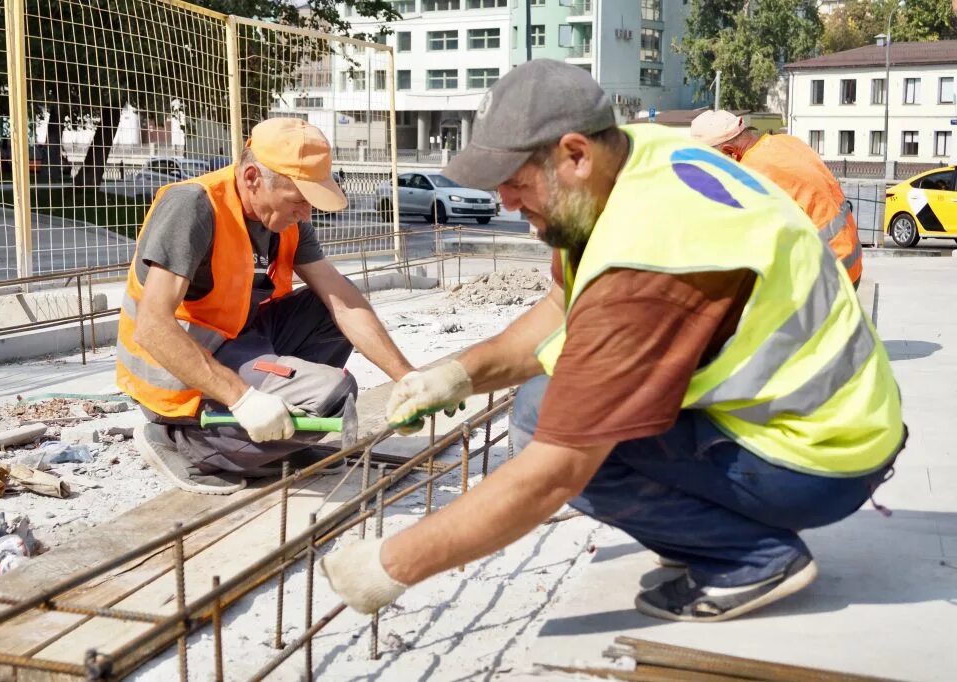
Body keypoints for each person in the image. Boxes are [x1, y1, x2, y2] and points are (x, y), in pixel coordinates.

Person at [319, 60, 905, 622]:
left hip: (819, 459)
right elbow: (558, 309)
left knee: (547, 426)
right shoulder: (637, 157)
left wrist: (390, 565)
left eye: (517, 183)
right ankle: (709, 530)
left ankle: (747, 560)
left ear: (574, 153)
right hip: (834, 420)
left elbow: (555, 474)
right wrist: (457, 373)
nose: (505, 203)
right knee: (543, 404)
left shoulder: (650, 261)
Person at [120, 118, 414, 494]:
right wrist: (242, 398)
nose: (307, 214)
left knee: (329, 305)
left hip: (242, 339)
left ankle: (273, 444)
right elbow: (152, 326)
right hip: (181, 369)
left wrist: (406, 377)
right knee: (332, 394)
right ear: (254, 177)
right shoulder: (193, 206)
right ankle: (183, 442)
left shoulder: (284, 218)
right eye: (298, 200)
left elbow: (342, 298)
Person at [690, 110, 863, 288]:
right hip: (850, 262)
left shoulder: (753, 174)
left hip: (826, 278)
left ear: (730, 152)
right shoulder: (788, 142)